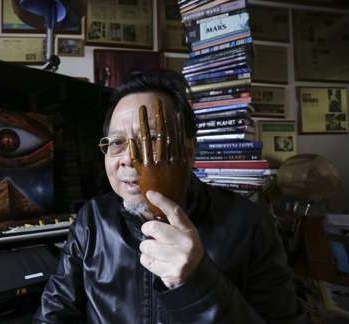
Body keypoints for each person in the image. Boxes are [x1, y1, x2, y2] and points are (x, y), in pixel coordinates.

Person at [34, 70, 303, 323]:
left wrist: (198, 283)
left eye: (152, 140)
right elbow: (54, 313)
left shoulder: (250, 224)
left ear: (188, 151)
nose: (129, 158)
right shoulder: (93, 219)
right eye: (116, 143)